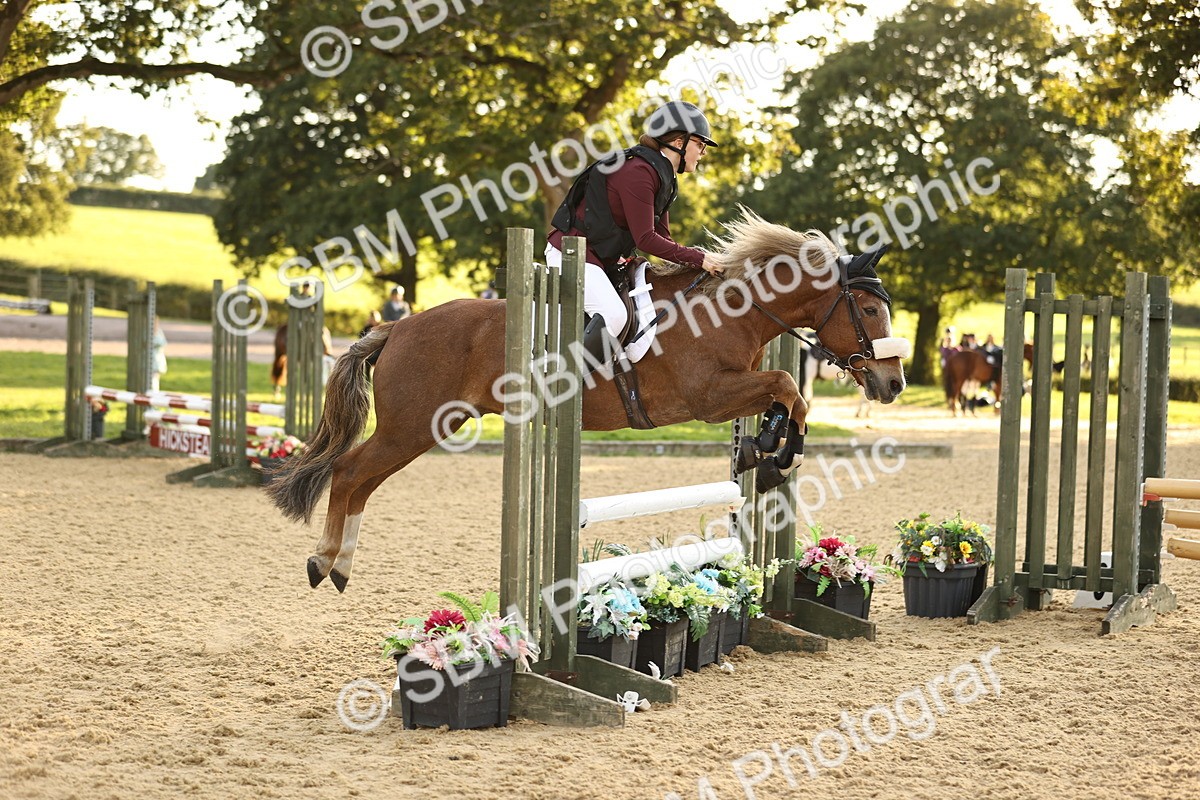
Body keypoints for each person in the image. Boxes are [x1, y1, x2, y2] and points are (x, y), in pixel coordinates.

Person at [546, 100, 724, 364]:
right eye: (700, 144)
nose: (703, 152)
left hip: (598, 259)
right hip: (571, 254)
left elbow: (664, 240)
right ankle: (561, 381)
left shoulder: (663, 175)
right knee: (615, 315)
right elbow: (646, 240)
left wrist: (698, 262)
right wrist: (700, 258)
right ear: (679, 142)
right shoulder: (639, 172)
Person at [151, 315, 168, 393]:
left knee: (155, 380)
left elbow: (163, 342)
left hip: (157, 360)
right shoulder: (148, 331)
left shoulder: (159, 331)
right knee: (151, 381)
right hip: (150, 360)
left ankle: (153, 399)